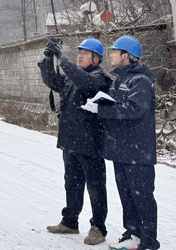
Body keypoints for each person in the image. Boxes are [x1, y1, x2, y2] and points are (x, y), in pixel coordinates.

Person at [81, 35, 159, 250]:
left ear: (126, 55)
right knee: (127, 195)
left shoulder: (140, 80)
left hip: (138, 150)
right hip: (121, 149)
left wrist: (102, 109)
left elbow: (134, 109)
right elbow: (117, 106)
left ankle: (148, 240)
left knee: (142, 196)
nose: (111, 55)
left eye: (115, 52)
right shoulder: (119, 80)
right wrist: (99, 104)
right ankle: (132, 234)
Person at [40, 37, 113, 246]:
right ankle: (70, 220)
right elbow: (52, 81)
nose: (79, 55)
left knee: (95, 187)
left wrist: (63, 59)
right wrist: (48, 59)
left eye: (85, 53)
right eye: (78, 52)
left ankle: (98, 227)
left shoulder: (100, 78)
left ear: (96, 59)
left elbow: (86, 83)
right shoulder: (73, 77)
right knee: (72, 183)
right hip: (70, 141)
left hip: (91, 144)